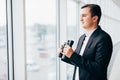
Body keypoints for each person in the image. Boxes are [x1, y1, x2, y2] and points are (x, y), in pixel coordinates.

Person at [58, 4, 113, 80]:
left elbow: (99, 69)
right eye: (80, 16)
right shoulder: (82, 38)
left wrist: (73, 55)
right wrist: (65, 55)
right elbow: (78, 62)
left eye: (84, 16)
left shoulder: (104, 38)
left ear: (94, 18)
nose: (80, 19)